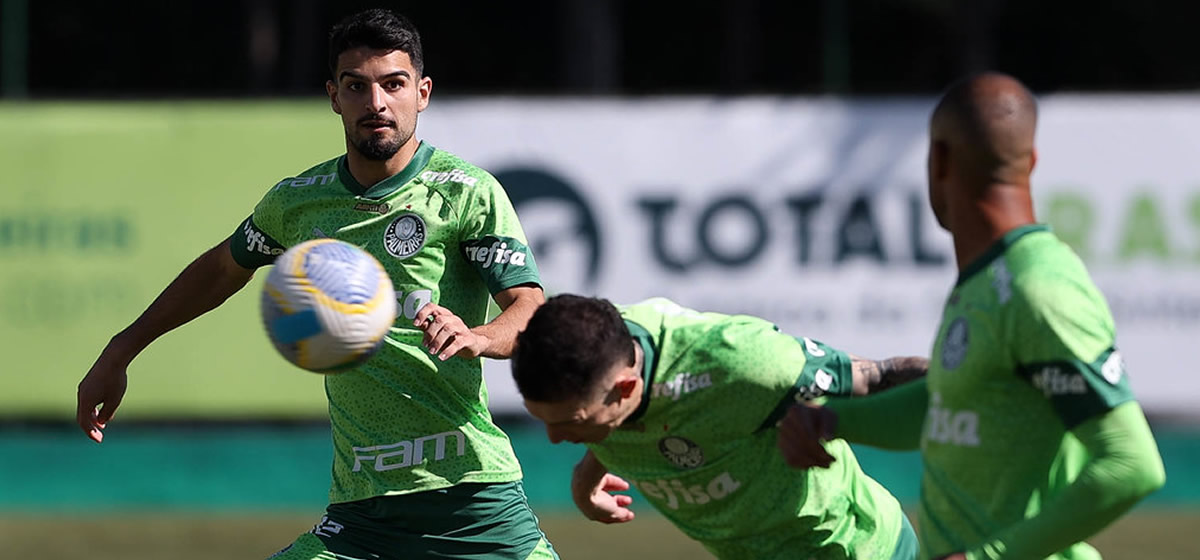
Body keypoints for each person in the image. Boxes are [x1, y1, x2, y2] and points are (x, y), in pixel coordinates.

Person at [75, 9, 557, 560]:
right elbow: (220, 270)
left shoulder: (466, 192)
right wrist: (122, 349)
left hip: (472, 504)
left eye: (393, 84)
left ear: (421, 93)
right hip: (360, 515)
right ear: (334, 96)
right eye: (357, 86)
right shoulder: (299, 203)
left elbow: (529, 309)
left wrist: (480, 336)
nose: (376, 103)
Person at [777, 73, 1167, 560]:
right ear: (1033, 162)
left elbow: (1131, 465)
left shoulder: (1039, 286)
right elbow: (948, 405)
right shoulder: (989, 281)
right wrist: (833, 419)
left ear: (939, 159)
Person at [511, 294, 928, 560]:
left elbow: (878, 377)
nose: (553, 438)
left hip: (855, 549)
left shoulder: (742, 364)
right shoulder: (594, 349)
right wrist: (586, 479)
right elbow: (612, 420)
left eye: (571, 423)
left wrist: (980, 399)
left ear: (626, 387)